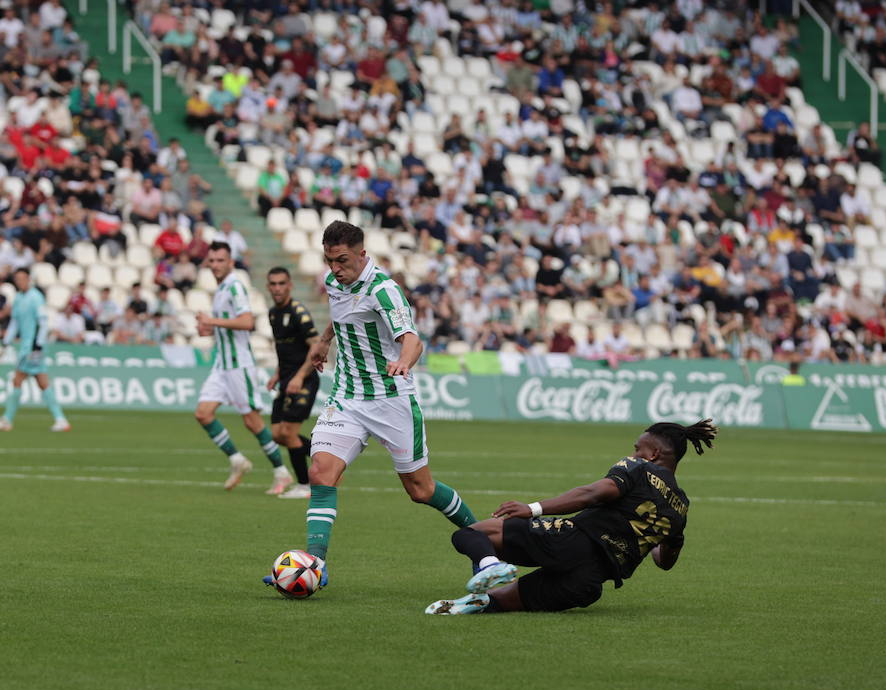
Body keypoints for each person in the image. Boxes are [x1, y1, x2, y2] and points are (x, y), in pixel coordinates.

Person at [284, 221, 478, 589]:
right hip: (347, 398)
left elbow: (412, 339)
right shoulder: (333, 282)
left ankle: (486, 545)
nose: (335, 269)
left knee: (420, 490)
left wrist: (405, 361)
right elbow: (340, 315)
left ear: (362, 254)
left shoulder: (384, 290)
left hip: (391, 399)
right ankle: (315, 565)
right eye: (329, 261)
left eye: (342, 260)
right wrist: (324, 340)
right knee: (320, 473)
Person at [425, 420, 717, 615]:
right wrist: (645, 536)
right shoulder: (680, 507)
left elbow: (594, 493)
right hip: (589, 582)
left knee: (470, 534)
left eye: (637, 447)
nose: (633, 452)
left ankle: (491, 566)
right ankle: (480, 602)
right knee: (501, 602)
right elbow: (665, 561)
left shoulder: (639, 467)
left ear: (653, 453)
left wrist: (533, 508)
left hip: (570, 541)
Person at [193, 242, 292, 492]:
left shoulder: (235, 286)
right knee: (203, 413)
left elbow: (247, 322)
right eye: (212, 260)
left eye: (220, 260)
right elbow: (229, 325)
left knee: (252, 421)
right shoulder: (221, 289)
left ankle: (282, 473)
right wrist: (209, 328)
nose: (215, 265)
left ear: (231, 262)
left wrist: (212, 320)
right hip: (221, 365)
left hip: (239, 365)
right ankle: (237, 460)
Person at [0, 267, 71, 433]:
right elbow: (14, 323)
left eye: (23, 278)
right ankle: (60, 419)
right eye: (17, 279)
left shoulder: (36, 298)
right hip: (26, 346)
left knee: (18, 380)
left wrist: (37, 345)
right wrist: (5, 343)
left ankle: (7, 420)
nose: (20, 281)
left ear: (29, 279)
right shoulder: (18, 298)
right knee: (42, 382)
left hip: (32, 347)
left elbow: (43, 322)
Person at [264, 266, 321, 500]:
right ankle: (326, 461)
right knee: (277, 434)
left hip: (304, 379)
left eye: (281, 283)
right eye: (273, 284)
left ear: (290, 285)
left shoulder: (299, 312)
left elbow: (316, 347)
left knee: (288, 433)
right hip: (286, 379)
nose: (277, 288)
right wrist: (278, 374)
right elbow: (284, 349)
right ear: (268, 287)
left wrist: (299, 376)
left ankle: (305, 485)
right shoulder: (272, 314)